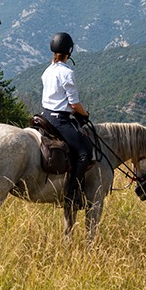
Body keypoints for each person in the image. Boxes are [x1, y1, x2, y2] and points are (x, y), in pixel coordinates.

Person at [39, 32, 93, 208]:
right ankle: (72, 195)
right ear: (70, 51)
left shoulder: (47, 70)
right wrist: (84, 115)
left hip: (44, 116)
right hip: (59, 120)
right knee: (84, 152)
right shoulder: (67, 72)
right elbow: (74, 103)